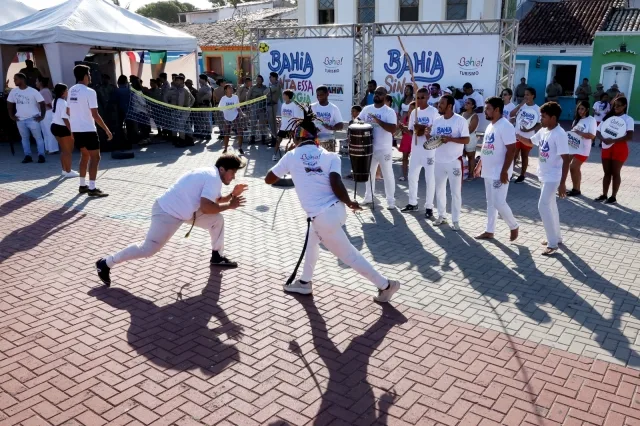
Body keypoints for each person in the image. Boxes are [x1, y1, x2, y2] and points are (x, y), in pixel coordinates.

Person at [264, 105, 401, 302]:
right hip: (336, 210)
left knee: (349, 256)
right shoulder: (330, 156)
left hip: (322, 217)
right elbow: (336, 182)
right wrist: (350, 202)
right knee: (311, 241)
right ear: (315, 137)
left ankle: (386, 285)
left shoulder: (291, 156)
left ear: (297, 139)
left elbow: (269, 179)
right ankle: (304, 282)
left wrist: (297, 172)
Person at [96, 154, 248, 286]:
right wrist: (229, 205)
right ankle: (106, 263)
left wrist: (232, 195)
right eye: (233, 173)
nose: (233, 177)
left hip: (185, 212)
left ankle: (217, 256)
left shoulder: (211, 174)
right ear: (222, 169)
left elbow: (214, 200)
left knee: (217, 220)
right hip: (166, 213)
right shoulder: (213, 177)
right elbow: (207, 207)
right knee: (148, 249)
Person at [515, 102, 571, 255]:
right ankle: (557, 237)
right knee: (551, 206)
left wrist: (563, 183)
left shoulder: (560, 134)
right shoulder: (543, 131)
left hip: (554, 176)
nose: (541, 119)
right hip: (544, 175)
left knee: (542, 206)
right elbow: (530, 142)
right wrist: (518, 136)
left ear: (553, 118)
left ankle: (552, 244)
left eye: (544, 117)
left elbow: (566, 160)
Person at [473, 96, 519, 242]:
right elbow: (486, 148)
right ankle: (489, 231)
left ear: (497, 109)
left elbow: (511, 150)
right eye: (486, 108)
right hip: (488, 170)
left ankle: (514, 225)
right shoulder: (490, 125)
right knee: (491, 202)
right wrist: (479, 165)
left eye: (488, 109)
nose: (485, 111)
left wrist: (505, 171)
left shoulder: (506, 126)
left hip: (500, 172)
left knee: (499, 202)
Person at [67, 65, 113, 197]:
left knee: (85, 156)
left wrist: (72, 129)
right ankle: (92, 188)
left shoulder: (71, 90)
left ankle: (82, 185)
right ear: (86, 76)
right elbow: (95, 114)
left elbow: (68, 111)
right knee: (95, 157)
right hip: (87, 129)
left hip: (77, 129)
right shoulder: (90, 92)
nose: (91, 76)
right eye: (89, 74)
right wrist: (107, 130)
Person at [427, 94, 470, 230]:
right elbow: (433, 139)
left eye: (442, 103)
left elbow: (466, 140)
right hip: (438, 161)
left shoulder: (460, 120)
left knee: (455, 192)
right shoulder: (437, 121)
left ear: (450, 106)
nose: (439, 105)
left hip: (454, 161)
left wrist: (450, 139)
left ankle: (456, 220)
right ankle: (442, 216)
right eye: (439, 103)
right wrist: (428, 135)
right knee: (439, 190)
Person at [358, 86, 398, 209]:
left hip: (384, 148)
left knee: (387, 174)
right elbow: (358, 119)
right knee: (369, 173)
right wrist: (357, 122)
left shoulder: (389, 111)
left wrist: (378, 121)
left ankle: (391, 201)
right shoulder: (367, 109)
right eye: (376, 93)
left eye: (380, 93)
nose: (377, 95)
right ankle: (368, 197)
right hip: (369, 147)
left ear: (385, 96)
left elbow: (392, 129)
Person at [401, 87, 439, 218]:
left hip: (429, 151)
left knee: (430, 179)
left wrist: (425, 130)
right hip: (416, 150)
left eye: (422, 97)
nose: (420, 100)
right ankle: (413, 202)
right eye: (417, 98)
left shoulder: (434, 112)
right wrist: (413, 130)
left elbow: (436, 132)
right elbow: (412, 131)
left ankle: (429, 207)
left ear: (428, 97)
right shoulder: (414, 113)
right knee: (412, 177)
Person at [594, 96, 634, 205]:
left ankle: (613, 197)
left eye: (619, 106)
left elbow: (629, 136)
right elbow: (598, 131)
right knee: (607, 172)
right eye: (614, 105)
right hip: (606, 147)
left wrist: (613, 140)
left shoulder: (628, 119)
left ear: (624, 106)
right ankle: (604, 194)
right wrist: (603, 139)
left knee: (615, 173)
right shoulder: (608, 117)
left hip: (619, 148)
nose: (616, 107)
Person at [7, 73, 46, 164]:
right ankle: (27, 155)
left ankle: (41, 155)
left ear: (22, 80)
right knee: (24, 138)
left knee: (38, 138)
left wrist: (42, 116)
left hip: (33, 118)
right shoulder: (14, 91)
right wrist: (11, 116)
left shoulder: (33, 91)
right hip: (20, 119)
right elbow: (9, 104)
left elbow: (42, 103)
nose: (14, 81)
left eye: (15, 79)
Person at [510, 87, 541, 184]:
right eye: (525, 94)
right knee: (513, 155)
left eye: (528, 94)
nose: (525, 96)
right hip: (517, 134)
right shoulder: (522, 106)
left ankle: (522, 175)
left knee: (524, 156)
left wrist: (529, 129)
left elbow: (539, 124)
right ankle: (510, 173)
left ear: (533, 96)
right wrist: (520, 105)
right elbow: (512, 114)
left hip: (528, 137)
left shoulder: (537, 108)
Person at [566, 101, 596, 197]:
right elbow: (572, 133)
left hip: (584, 149)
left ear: (587, 109)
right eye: (579, 108)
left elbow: (592, 136)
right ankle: (577, 189)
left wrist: (580, 133)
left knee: (573, 167)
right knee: (572, 167)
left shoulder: (591, 120)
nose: (580, 110)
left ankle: (576, 189)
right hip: (573, 146)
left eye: (582, 108)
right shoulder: (576, 120)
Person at [50, 84, 79, 178]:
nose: (68, 92)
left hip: (54, 126)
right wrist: (72, 131)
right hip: (62, 127)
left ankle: (64, 170)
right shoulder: (63, 103)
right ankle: (68, 171)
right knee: (68, 151)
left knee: (63, 150)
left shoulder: (55, 100)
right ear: (62, 92)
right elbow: (65, 118)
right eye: (67, 90)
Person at [311, 85, 344, 152]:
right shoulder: (312, 107)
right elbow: (305, 123)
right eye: (318, 95)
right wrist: (312, 130)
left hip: (328, 137)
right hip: (314, 137)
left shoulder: (333, 108)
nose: (319, 97)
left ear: (327, 94)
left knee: (327, 160)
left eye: (321, 95)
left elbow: (340, 125)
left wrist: (331, 128)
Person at [274, 89, 302, 161]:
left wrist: (294, 128)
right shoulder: (283, 105)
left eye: (284, 95)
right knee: (278, 140)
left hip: (291, 128)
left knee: (295, 141)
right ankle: (274, 154)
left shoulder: (294, 105)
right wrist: (280, 123)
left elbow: (296, 118)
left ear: (287, 96)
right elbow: (282, 116)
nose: (283, 96)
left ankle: (294, 155)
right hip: (283, 127)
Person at [167, 74, 195, 147]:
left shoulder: (182, 89)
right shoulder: (185, 88)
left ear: (182, 81)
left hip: (182, 110)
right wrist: (189, 106)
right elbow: (193, 99)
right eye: (176, 80)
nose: (176, 82)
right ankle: (190, 140)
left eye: (178, 80)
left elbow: (181, 102)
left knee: (180, 125)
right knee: (186, 126)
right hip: (186, 109)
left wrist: (180, 110)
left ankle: (182, 141)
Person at [219, 83, 244, 155]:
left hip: (235, 116)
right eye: (229, 88)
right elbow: (220, 109)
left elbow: (238, 107)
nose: (231, 89)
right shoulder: (223, 99)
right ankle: (225, 149)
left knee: (240, 132)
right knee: (226, 133)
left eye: (232, 88)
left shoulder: (235, 97)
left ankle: (240, 148)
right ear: (226, 90)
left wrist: (241, 114)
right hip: (227, 117)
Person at [36, 77, 58, 154]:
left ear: (41, 82)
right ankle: (48, 147)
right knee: (45, 131)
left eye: (37, 81)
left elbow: (49, 103)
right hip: (42, 112)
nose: (36, 83)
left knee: (49, 131)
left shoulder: (45, 91)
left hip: (47, 112)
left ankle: (53, 148)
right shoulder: (41, 91)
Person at [461, 97, 479, 182]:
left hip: (470, 139)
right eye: (465, 102)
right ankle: (464, 172)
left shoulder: (475, 116)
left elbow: (471, 129)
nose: (466, 104)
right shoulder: (463, 114)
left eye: (468, 103)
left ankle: (471, 174)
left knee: (471, 157)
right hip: (462, 137)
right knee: (463, 156)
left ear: (472, 105)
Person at [247, 75, 268, 144]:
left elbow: (267, 98)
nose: (258, 80)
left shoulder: (265, 88)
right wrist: (250, 106)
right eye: (257, 79)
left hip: (262, 108)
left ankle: (263, 138)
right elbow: (248, 97)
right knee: (253, 123)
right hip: (254, 107)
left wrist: (265, 107)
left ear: (262, 80)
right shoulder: (252, 88)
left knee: (262, 124)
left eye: (260, 79)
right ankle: (252, 138)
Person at [397, 101, 414, 182]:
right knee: (404, 158)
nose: (411, 110)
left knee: (415, 159)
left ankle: (413, 176)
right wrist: (401, 127)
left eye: (413, 108)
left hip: (414, 140)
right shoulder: (406, 118)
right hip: (406, 139)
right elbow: (402, 131)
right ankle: (404, 175)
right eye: (410, 108)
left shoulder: (418, 118)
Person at [195, 74, 213, 140]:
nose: (199, 80)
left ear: (203, 79)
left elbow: (209, 94)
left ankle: (208, 133)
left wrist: (202, 99)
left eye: (200, 78)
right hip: (201, 105)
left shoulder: (207, 86)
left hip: (205, 105)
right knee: (202, 120)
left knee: (206, 119)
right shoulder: (202, 86)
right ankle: (203, 132)